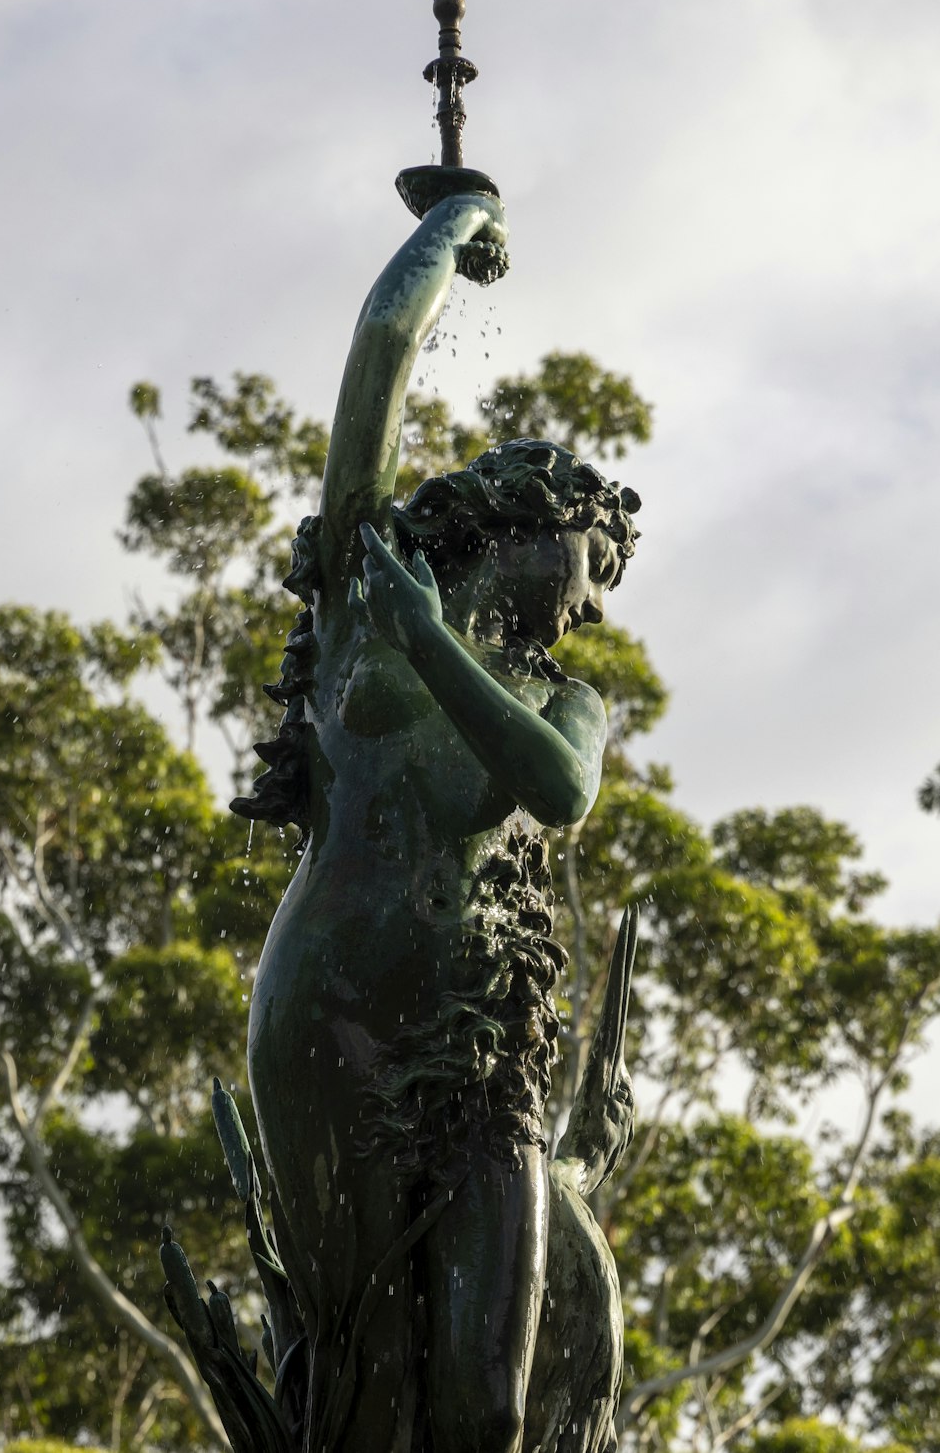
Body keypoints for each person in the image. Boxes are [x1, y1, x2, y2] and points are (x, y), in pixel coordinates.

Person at [234, 191, 640, 1453]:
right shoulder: (363, 584)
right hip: (329, 1024)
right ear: (519, 522)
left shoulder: (556, 696)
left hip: (484, 1063)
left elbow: (559, 791)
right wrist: (452, 225)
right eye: (586, 560)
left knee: (488, 1400)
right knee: (347, 1364)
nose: (585, 607)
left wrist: (431, 638)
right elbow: (379, 351)